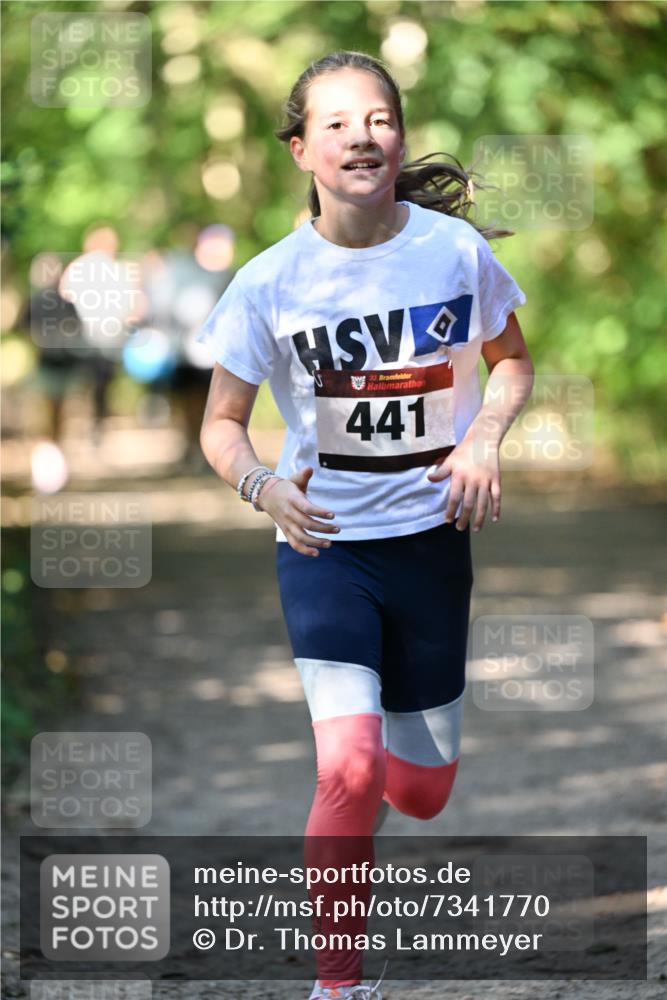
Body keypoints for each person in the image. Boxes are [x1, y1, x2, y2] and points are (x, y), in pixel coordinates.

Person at [197, 50, 534, 1000]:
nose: (362, 135)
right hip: (324, 551)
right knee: (344, 774)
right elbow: (219, 426)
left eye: (379, 118)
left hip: (431, 546)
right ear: (302, 148)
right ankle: (338, 986)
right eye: (337, 123)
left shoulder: (454, 253)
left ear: (399, 137)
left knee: (418, 795)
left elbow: (511, 362)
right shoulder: (267, 283)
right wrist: (262, 485)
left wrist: (484, 441)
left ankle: (392, 757)